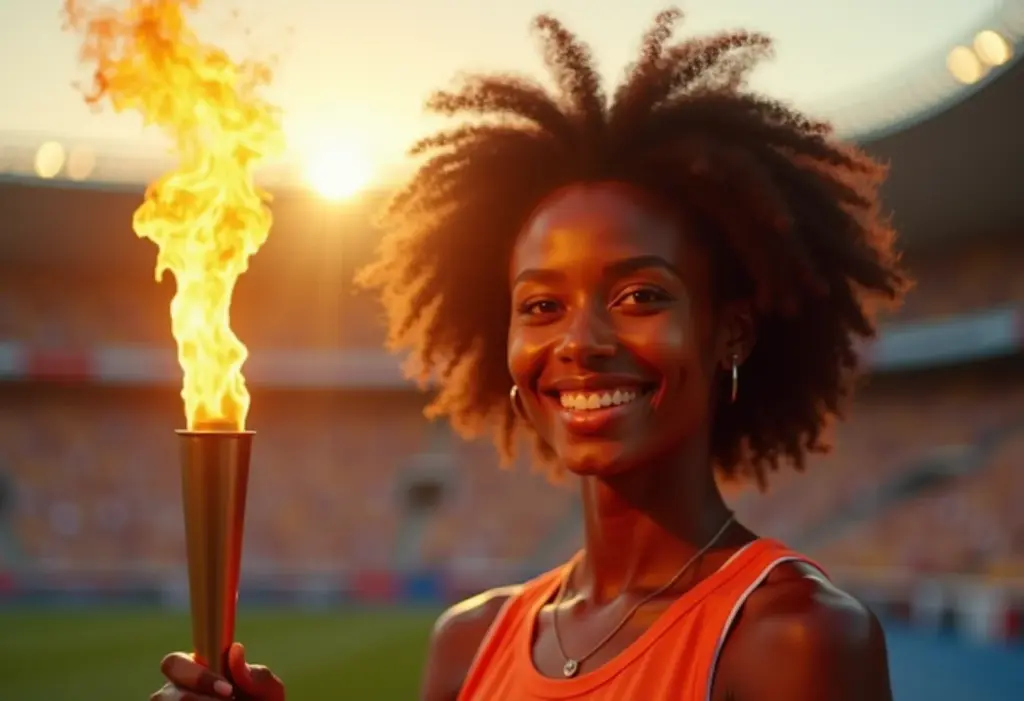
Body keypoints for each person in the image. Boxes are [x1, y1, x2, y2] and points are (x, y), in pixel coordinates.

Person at [152, 7, 908, 701]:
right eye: (541, 306)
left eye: (641, 295)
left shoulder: (795, 640)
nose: (580, 342)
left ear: (731, 331)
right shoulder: (467, 642)